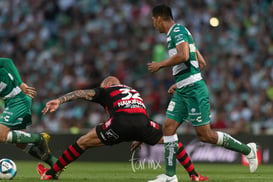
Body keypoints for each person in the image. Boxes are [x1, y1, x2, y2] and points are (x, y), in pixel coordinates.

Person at [147, 4, 258, 182]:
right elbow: (201, 62)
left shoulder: (177, 31)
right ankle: (170, 176)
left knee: (206, 135)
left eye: (153, 21)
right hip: (184, 89)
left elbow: (184, 56)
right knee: (168, 128)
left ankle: (248, 150)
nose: (154, 25)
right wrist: (181, 82)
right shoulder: (178, 34)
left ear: (159, 18)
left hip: (194, 90)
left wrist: (161, 64)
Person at [37, 76, 208, 181]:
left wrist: (59, 101)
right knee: (173, 141)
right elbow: (137, 115)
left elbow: (81, 93)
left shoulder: (105, 91)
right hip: (143, 123)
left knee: (82, 142)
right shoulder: (134, 91)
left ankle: (52, 172)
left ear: (106, 84)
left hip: (119, 124)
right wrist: (140, 136)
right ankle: (194, 175)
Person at [0, 58, 57, 167]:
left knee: (1, 135)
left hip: (18, 99)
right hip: (11, 102)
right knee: (20, 143)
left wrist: (20, 83)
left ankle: (39, 139)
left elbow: (7, 62)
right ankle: (54, 163)